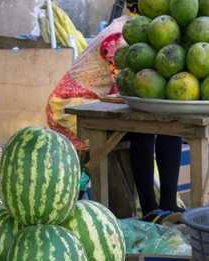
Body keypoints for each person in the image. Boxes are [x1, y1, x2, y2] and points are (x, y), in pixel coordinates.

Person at [46, 7, 183, 222]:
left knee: (170, 125)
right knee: (142, 130)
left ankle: (168, 206)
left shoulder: (148, 30)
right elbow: (129, 88)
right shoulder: (122, 35)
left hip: (102, 103)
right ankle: (150, 209)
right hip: (71, 109)